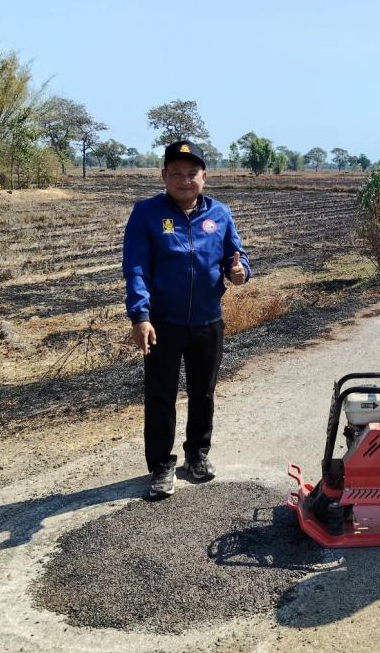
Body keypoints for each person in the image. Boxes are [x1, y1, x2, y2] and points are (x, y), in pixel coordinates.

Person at [122, 139, 251, 500]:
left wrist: (241, 272)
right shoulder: (146, 213)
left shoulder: (220, 214)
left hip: (208, 321)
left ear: (204, 177)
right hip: (162, 323)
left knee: (203, 392)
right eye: (176, 173)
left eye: (192, 173)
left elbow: (236, 256)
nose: (184, 180)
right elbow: (135, 268)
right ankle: (162, 464)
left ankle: (198, 452)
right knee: (160, 395)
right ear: (163, 176)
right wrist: (140, 316)